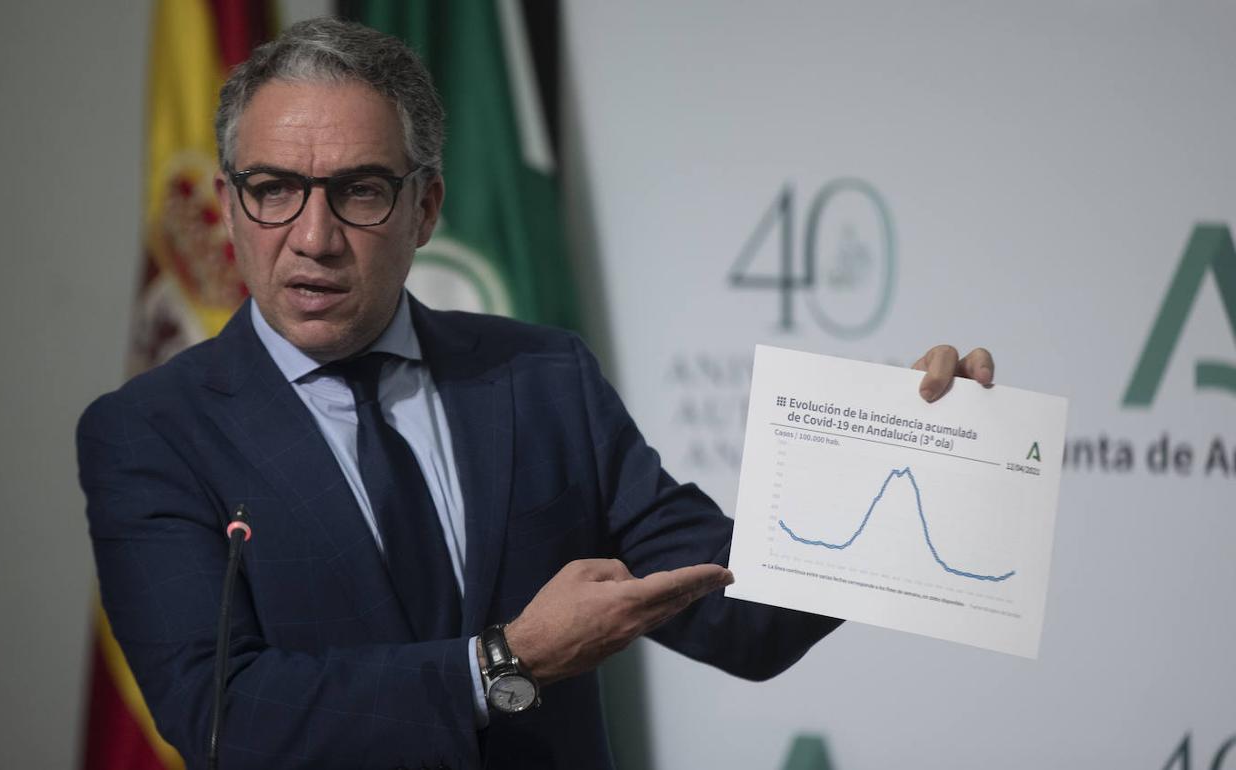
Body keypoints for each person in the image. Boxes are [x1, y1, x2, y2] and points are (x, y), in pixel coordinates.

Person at [77, 17, 996, 770]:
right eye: (274, 189)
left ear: (426, 209)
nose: (313, 236)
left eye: (359, 191)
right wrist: (498, 665)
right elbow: (220, 717)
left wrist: (894, 456)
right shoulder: (149, 432)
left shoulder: (541, 376)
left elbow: (733, 614)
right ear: (233, 203)